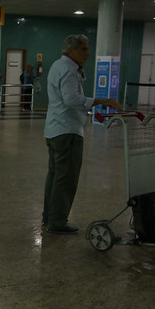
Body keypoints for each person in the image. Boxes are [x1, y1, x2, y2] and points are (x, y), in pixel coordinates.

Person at [43, 34, 121, 234]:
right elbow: (71, 99)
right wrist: (100, 101)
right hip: (67, 131)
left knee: (55, 176)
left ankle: (49, 217)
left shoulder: (58, 66)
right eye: (84, 49)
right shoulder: (68, 70)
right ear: (71, 51)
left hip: (54, 129)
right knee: (66, 178)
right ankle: (57, 221)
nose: (88, 53)